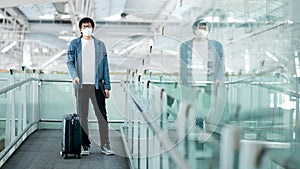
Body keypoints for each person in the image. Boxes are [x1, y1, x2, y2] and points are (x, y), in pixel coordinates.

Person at [67, 17, 114, 156]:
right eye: (84, 26)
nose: (86, 28)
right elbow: (69, 62)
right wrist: (74, 75)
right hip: (81, 86)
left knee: (102, 116)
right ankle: (84, 145)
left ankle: (105, 145)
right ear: (80, 29)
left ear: (93, 28)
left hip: (97, 86)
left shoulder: (100, 45)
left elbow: (105, 66)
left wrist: (107, 86)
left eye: (89, 26)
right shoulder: (74, 44)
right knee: (82, 116)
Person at [179, 17, 226, 133]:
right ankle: (191, 127)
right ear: (194, 29)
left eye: (205, 28)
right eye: (200, 28)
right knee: (192, 105)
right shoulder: (184, 46)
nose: (203, 30)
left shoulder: (217, 46)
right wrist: (185, 82)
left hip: (208, 81)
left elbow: (221, 64)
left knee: (207, 105)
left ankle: (204, 126)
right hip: (191, 82)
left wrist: (218, 78)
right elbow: (183, 66)